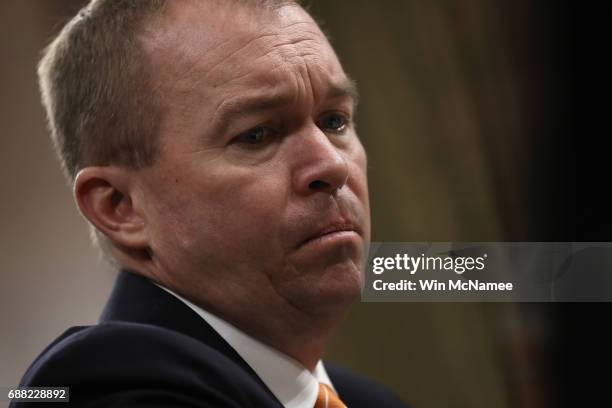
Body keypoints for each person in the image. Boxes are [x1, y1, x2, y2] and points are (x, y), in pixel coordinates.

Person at [14, 0, 407, 406]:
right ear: (121, 207)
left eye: (334, 121)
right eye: (257, 135)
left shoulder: (370, 401)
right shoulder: (106, 389)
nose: (332, 164)